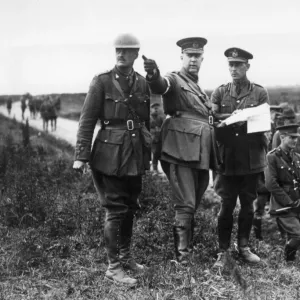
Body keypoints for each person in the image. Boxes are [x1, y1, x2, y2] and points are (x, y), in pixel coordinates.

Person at [73, 33, 151, 285]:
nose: (121, 54)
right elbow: (86, 120)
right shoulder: (102, 82)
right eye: (118, 49)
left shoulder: (142, 83)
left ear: (136, 54)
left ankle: (126, 257)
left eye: (127, 50)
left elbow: (146, 120)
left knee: (130, 207)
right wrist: (81, 156)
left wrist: (148, 152)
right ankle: (113, 267)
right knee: (115, 210)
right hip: (109, 153)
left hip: (135, 152)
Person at [143, 37, 220, 264]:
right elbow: (160, 85)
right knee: (185, 203)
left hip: (199, 151)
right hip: (180, 148)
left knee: (194, 200)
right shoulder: (175, 79)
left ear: (202, 58)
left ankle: (188, 250)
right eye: (190, 56)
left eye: (198, 56)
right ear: (182, 57)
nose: (194, 60)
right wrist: (153, 74)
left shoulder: (197, 88)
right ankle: (182, 259)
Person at [211, 47, 269, 268]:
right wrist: (232, 117)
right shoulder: (220, 92)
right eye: (231, 65)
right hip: (227, 159)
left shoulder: (259, 93)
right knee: (226, 206)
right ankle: (223, 252)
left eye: (238, 65)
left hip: (250, 157)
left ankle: (243, 247)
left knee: (248, 204)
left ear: (247, 66)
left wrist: (242, 119)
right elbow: (212, 118)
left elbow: (263, 122)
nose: (233, 69)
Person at [264, 124, 300, 262]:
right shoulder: (272, 157)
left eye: (296, 138)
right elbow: (271, 183)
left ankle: (290, 263)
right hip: (283, 205)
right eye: (292, 138)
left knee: (293, 236)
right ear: (282, 137)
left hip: (297, 203)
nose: (295, 141)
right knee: (297, 235)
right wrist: (289, 202)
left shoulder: (297, 157)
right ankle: (288, 260)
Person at [150, 102, 165, 172]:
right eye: (154, 108)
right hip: (152, 140)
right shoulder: (149, 118)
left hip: (159, 140)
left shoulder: (160, 118)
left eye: (157, 108)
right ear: (151, 109)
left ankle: (158, 170)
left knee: (159, 154)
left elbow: (164, 127)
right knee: (155, 154)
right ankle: (154, 170)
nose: (156, 110)